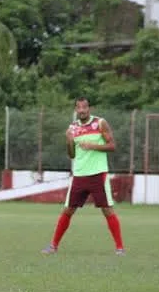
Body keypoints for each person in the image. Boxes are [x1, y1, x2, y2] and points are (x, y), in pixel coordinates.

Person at [41, 97, 125, 255]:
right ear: (75, 110)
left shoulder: (100, 123)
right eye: (78, 108)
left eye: (84, 107)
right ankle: (53, 246)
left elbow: (112, 146)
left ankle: (120, 248)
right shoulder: (72, 128)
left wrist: (92, 145)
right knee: (67, 210)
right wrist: (69, 141)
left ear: (89, 109)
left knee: (107, 210)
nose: (81, 110)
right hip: (79, 176)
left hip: (98, 175)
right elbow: (72, 155)